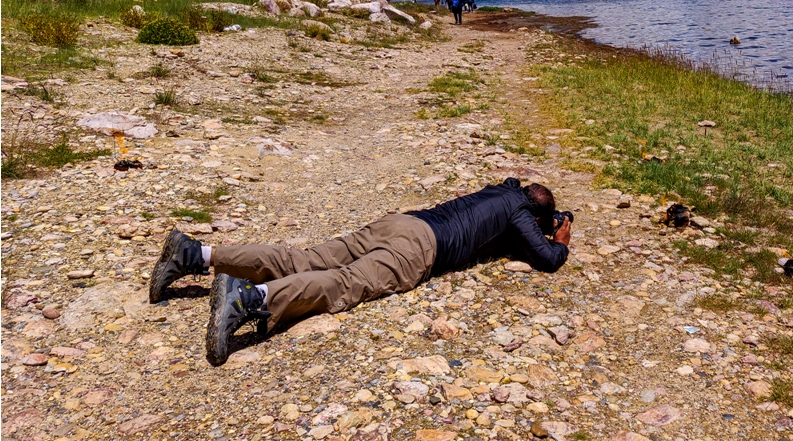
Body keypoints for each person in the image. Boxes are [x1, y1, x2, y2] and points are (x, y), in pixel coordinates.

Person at [149, 179, 572, 366]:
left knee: (306, 257)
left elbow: (511, 203)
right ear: (535, 214)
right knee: (345, 284)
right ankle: (250, 301)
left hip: (401, 222)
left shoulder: (506, 190)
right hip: (421, 249)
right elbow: (549, 259)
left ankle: (196, 254)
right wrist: (560, 234)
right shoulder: (520, 213)